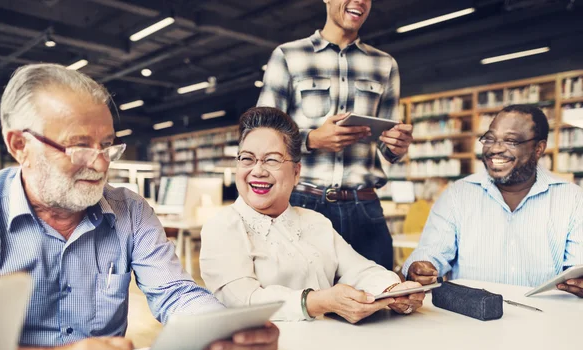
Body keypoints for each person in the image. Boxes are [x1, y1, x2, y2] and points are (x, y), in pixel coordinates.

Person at [0, 64, 279, 350]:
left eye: (107, 146)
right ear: (20, 145)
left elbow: (174, 293)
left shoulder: (130, 210)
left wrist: (227, 333)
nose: (100, 164)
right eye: (79, 147)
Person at [200, 107, 424, 323]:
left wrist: (394, 290)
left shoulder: (315, 221)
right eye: (247, 159)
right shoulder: (222, 227)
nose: (258, 170)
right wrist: (317, 302)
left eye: (272, 160)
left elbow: (360, 269)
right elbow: (243, 301)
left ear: (296, 173)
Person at [257, 0, 413, 270]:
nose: (360, 2)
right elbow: (260, 135)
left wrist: (397, 146)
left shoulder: (385, 65)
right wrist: (311, 139)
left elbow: (388, 147)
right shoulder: (288, 56)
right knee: (306, 304)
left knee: (382, 299)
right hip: (303, 203)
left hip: (364, 206)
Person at [403, 105, 583, 297]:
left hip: (546, 319)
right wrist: (420, 267)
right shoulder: (457, 195)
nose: (495, 148)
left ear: (539, 148)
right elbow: (430, 252)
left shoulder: (572, 199)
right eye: (489, 139)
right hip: (470, 320)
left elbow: (577, 268)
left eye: (511, 140)